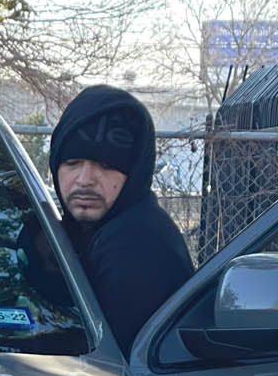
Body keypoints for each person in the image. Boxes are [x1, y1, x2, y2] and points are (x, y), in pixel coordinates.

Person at [47, 85, 195, 356]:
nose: (84, 179)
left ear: (135, 173)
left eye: (106, 165)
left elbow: (104, 365)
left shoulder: (137, 244)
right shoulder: (78, 232)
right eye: (72, 162)